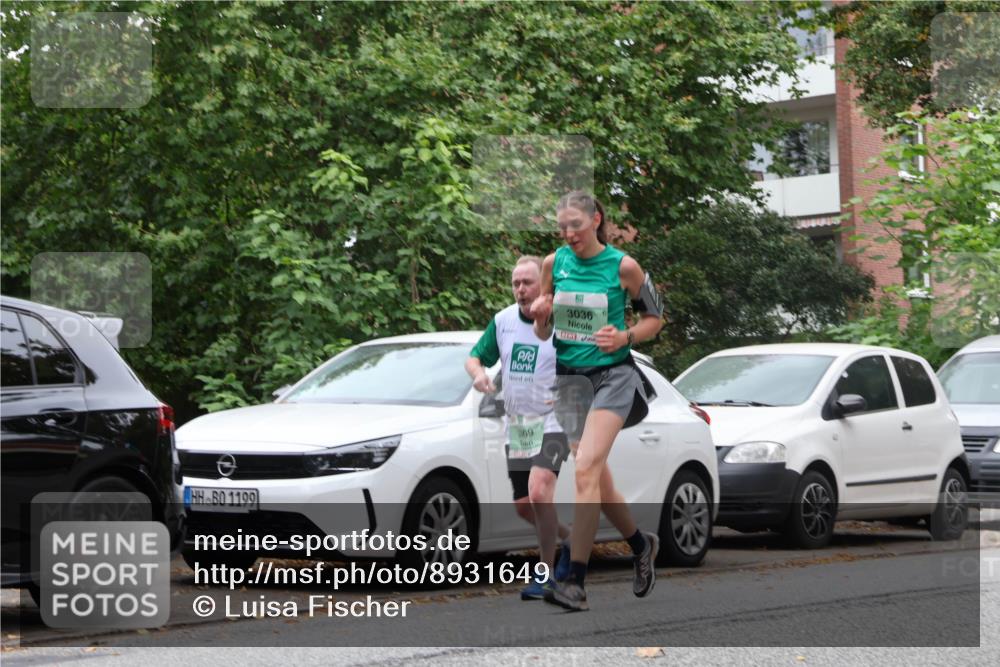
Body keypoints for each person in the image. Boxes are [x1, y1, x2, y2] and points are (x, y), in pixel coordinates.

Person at [530, 191, 665, 612]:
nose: (568, 233)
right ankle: (642, 546)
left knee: (585, 468)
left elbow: (655, 319)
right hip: (569, 381)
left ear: (595, 220)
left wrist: (624, 336)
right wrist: (539, 315)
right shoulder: (554, 263)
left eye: (576, 224)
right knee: (598, 482)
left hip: (613, 377)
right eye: (562, 227)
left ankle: (574, 581)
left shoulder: (623, 266)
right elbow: (542, 332)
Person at [465, 255, 573, 600]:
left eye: (527, 283)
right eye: (515, 284)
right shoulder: (503, 321)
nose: (521, 290)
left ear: (544, 287)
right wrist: (479, 373)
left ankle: (547, 575)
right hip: (520, 425)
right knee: (525, 505)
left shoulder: (563, 321)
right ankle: (571, 540)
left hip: (554, 420)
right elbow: (474, 356)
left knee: (541, 491)